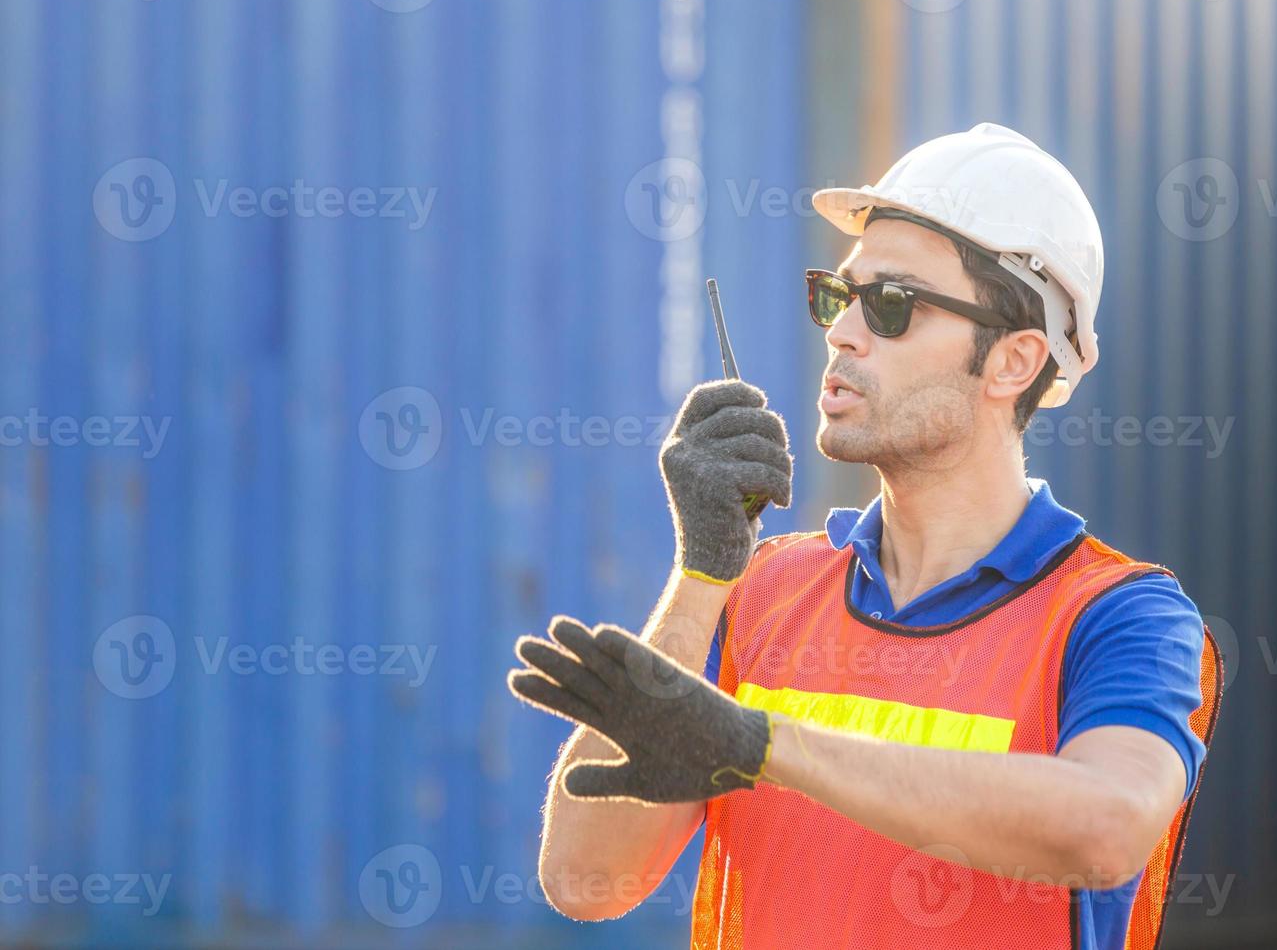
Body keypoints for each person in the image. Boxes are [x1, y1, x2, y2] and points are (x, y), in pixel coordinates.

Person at [508, 123, 1222, 949]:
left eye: (891, 306)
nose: (842, 333)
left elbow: (1104, 829)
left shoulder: (1116, 616)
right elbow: (584, 880)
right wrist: (703, 572)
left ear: (1014, 363)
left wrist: (763, 745)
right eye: (838, 296)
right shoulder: (761, 593)